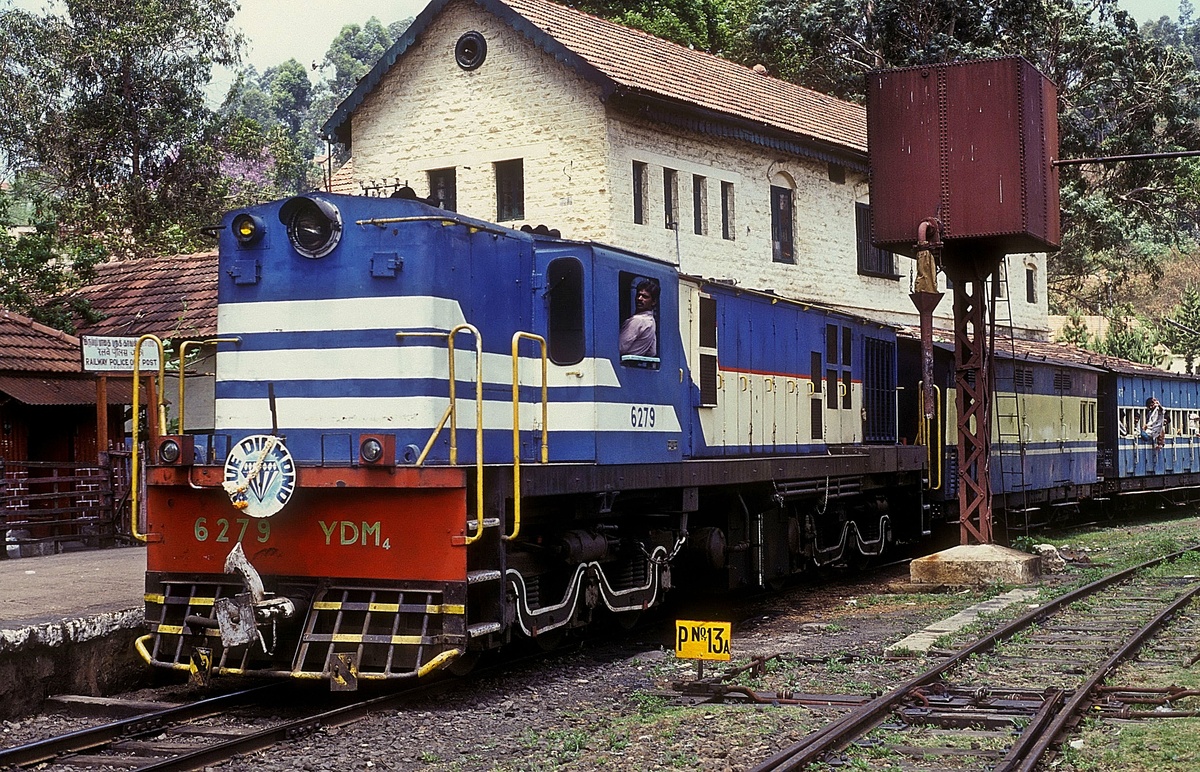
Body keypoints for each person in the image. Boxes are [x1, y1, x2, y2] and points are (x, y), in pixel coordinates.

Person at [619, 279, 658, 357]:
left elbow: (620, 347)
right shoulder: (651, 321)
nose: (639, 298)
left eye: (645, 296)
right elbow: (652, 352)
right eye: (638, 295)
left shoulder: (638, 320)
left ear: (653, 302)